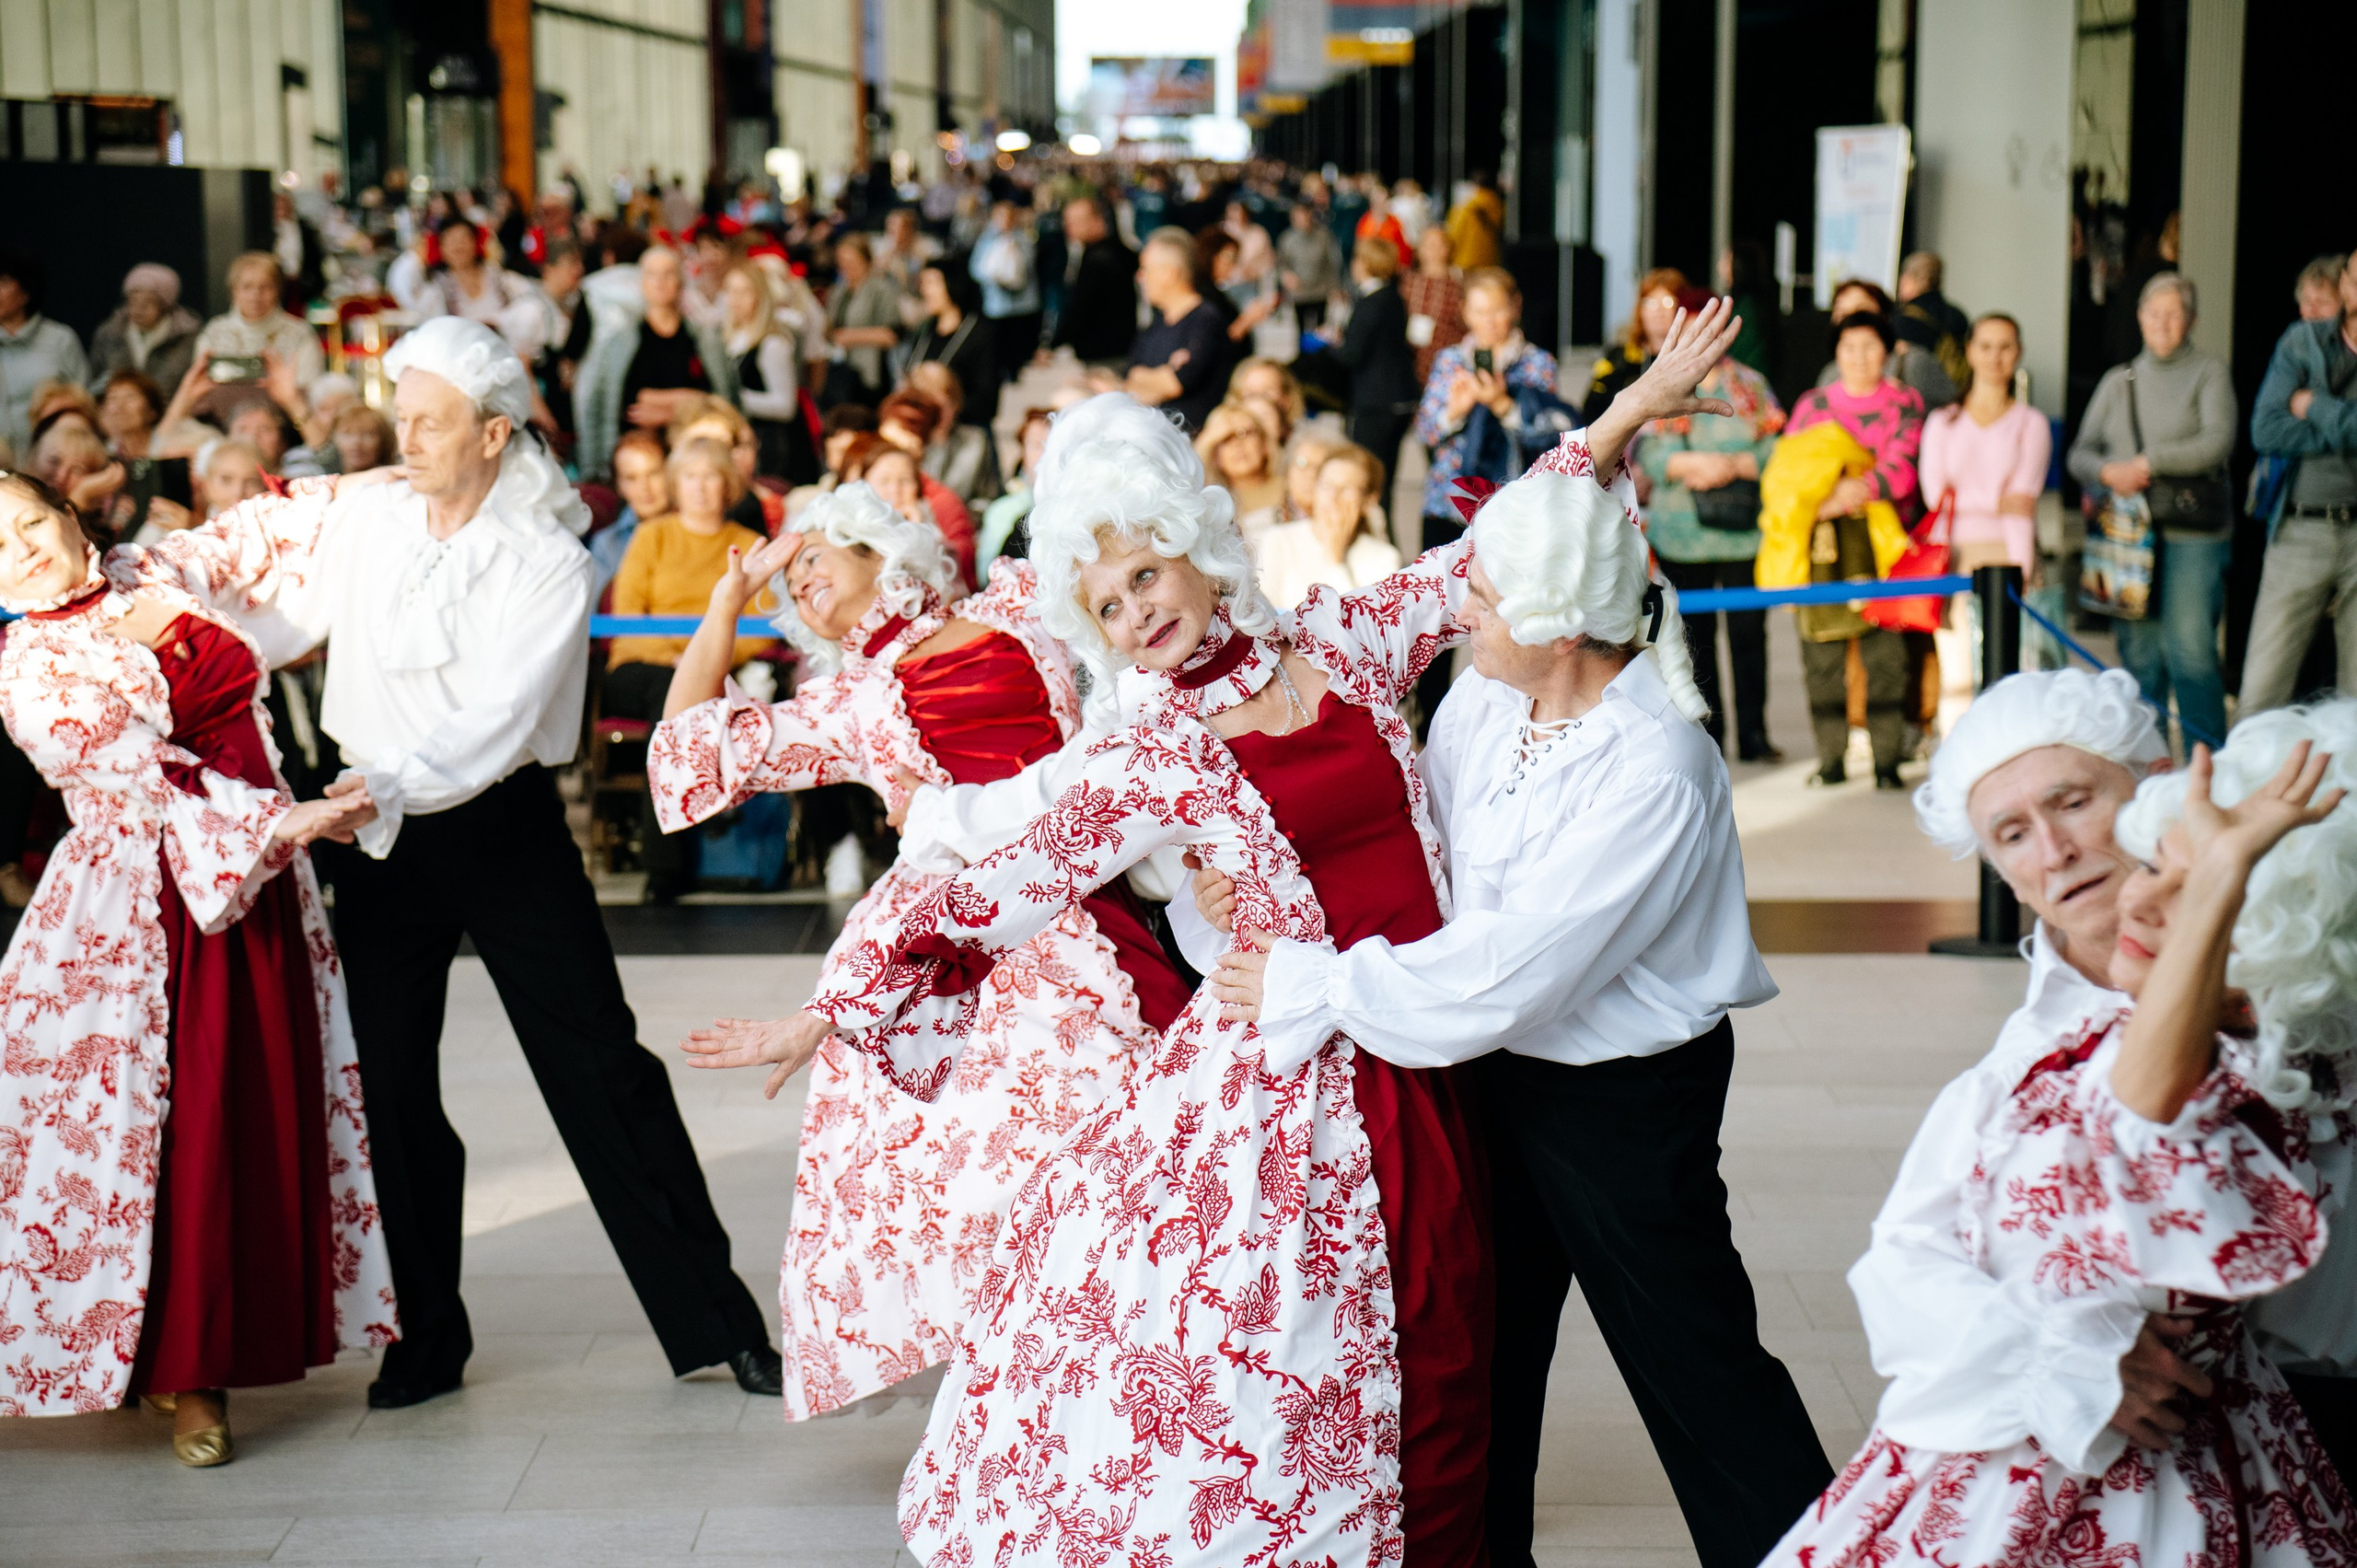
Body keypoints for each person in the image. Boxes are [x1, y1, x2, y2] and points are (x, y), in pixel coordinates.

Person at [680, 337, 1730, 1564]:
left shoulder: (1341, 639)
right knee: (1321, 1373)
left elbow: (1483, 557)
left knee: (1448, 1348)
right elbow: (994, 884)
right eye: (1108, 609)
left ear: (1190, 541)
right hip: (1310, 1078)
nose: (1138, 615)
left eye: (1141, 575)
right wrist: (837, 1002)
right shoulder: (1157, 749)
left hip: (1437, 1044)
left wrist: (1627, 414)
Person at [1196, 435, 1836, 1568]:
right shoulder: (1481, 705)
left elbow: (1514, 964)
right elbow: (1427, 866)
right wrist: (1258, 875)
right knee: (1478, 1360)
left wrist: (1320, 983)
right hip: (1483, 1072)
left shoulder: (1657, 765)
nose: (1462, 612)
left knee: (1694, 1363)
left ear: (1559, 625)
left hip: (1622, 1102)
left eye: (1482, 598)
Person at [170, 316, 784, 1407]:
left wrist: (378, 788)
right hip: (370, 832)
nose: (402, 437)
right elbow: (278, 617)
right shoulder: (367, 519)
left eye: (428, 421)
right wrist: (171, 631)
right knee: (392, 1086)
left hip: (496, 824)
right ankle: (425, 1336)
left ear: (494, 432)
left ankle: (716, 1320)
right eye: (399, 415)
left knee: (601, 1068)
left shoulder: (547, 558)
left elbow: (503, 720)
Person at [1765, 699, 2357, 1566]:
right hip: (2010, 1462)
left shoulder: (2229, 1062)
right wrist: (2053, 1358)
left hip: (2173, 1475)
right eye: (2010, 833)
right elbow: (1907, 1250)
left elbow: (2152, 1126)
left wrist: (2220, 883)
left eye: (2075, 803)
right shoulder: (2052, 1044)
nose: (2057, 853)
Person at [654, 484, 1182, 1418]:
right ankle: (1023, 1390)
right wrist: (727, 602)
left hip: (1087, 882)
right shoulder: (850, 703)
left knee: (1127, 1139)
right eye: (795, 578)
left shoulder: (1017, 600)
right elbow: (690, 751)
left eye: (817, 556)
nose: (804, 580)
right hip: (948, 933)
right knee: (977, 1172)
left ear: (879, 549)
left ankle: (1125, 1363)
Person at [0, 468, 392, 1461]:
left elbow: (262, 534)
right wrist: (287, 820)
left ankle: (214, 1342)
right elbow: (136, 781)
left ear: (66, 507)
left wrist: (387, 478)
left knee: (243, 1120)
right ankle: (181, 1373)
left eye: (26, 520)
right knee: (163, 1133)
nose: (23, 547)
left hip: (253, 888)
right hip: (141, 907)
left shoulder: (155, 566)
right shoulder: (28, 662)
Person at [2067, 273, 2237, 749]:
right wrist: (2108, 472)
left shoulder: (2209, 372)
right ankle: (2151, 772)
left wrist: (2147, 463)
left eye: (2174, 313)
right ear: (2139, 317)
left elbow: (2217, 441)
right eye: (2153, 312)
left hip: (2192, 534)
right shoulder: (2117, 381)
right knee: (2139, 657)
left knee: (2191, 653)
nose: (2162, 323)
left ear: (2192, 320)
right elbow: (2079, 453)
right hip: (2124, 535)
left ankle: (2211, 773)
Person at [604, 437, 772, 902]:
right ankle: (666, 866)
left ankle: (704, 853)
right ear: (676, 484)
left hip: (722, 669)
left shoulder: (745, 543)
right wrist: (681, 661)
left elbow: (765, 626)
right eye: (690, 477)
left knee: (692, 697)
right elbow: (627, 615)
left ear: (729, 485)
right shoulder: (652, 535)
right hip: (642, 666)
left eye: (711, 476)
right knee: (671, 696)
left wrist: (708, 657)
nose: (700, 488)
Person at [1782, 308, 1926, 788]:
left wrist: (1850, 491)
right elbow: (1789, 469)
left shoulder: (1904, 402)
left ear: (1887, 351)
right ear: (1835, 353)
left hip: (1881, 543)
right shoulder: (1812, 405)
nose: (1860, 357)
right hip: (1820, 543)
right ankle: (1830, 759)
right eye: (1849, 347)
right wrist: (1820, 497)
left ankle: (1886, 761)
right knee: (1820, 656)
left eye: (1870, 346)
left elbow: (1904, 465)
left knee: (1886, 656)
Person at [1411, 265, 1561, 728]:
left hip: (1508, 502)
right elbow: (1427, 430)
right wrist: (1456, 411)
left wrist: (1502, 406)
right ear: (1465, 314)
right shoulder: (1449, 361)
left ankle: (1502, 716)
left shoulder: (1536, 363)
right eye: (1479, 311)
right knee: (1440, 610)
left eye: (1497, 310)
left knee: (1503, 609)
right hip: (1447, 499)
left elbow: (1548, 434)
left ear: (1514, 308)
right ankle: (1428, 718)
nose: (1489, 321)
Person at [1634, 339, 1787, 761]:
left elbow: (1777, 443)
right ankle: (1706, 739)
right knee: (1694, 641)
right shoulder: (1663, 382)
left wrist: (1734, 466)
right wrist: (1690, 465)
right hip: (1681, 534)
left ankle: (1754, 734)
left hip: (1744, 532)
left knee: (1748, 636)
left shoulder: (1751, 385)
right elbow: (1645, 448)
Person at [2242, 251, 2357, 714]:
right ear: (2346, 285)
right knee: (2261, 691)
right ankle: (2245, 786)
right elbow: (2265, 430)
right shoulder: (2301, 341)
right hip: (2300, 529)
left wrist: (2313, 406)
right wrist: (2345, 429)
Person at [575, 246, 737, 482]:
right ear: (641, 283)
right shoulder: (619, 342)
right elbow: (603, 403)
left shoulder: (703, 340)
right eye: (651, 274)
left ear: (680, 282)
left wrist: (667, 411)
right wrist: (593, 468)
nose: (660, 282)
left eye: (668, 274)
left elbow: (721, 399)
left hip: (696, 458)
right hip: (634, 461)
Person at [1920, 313, 2050, 576]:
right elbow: (1935, 497)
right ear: (1970, 352)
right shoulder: (1942, 421)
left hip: (2007, 551)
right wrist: (1995, 502)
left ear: (2019, 352)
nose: (1995, 357)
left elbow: (2020, 505)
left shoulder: (2032, 423)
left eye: (2005, 347)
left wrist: (2021, 572)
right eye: (1985, 346)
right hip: (1948, 554)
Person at [1252, 441, 1403, 610]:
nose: (1333, 497)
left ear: (1369, 501)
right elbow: (1263, 613)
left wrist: (1335, 559)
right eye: (1326, 485)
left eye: (1346, 489)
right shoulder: (1279, 539)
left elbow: (1360, 627)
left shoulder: (1384, 558)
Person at [1122, 228, 1235, 434]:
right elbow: (1131, 375)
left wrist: (1151, 381)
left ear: (1170, 273)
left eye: (1145, 269)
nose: (1139, 277)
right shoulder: (1157, 322)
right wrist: (1156, 378)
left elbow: (1176, 383)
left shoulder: (1206, 320)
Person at [719, 261, 818, 486]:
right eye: (731, 291)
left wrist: (733, 398)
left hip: (774, 449)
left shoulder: (773, 343)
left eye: (744, 292)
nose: (736, 299)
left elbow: (785, 406)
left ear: (760, 296)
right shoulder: (730, 338)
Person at [1331, 235, 1422, 473]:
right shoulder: (1394, 298)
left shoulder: (1369, 303)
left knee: (1368, 474)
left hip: (1374, 403)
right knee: (1387, 477)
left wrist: (1329, 346)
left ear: (1365, 263)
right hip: (1400, 397)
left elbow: (1352, 354)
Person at [842, 431, 976, 587]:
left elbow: (953, 581)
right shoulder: (851, 530)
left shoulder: (932, 521)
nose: (895, 490)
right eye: (884, 481)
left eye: (904, 481)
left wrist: (919, 530)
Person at [416, 216, 548, 362]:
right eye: (451, 239)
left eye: (464, 238)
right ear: (441, 248)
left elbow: (532, 298)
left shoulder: (498, 277)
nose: (458, 244)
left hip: (505, 356)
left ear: (475, 243)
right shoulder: (436, 290)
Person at [0, 247, 90, 456]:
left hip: (52, 461)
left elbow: (84, 401)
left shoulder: (60, 339)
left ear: (25, 292)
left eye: (3, 284)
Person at [1816, 278, 1956, 411]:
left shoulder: (1913, 362)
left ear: (1884, 317)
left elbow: (1957, 412)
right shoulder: (1832, 373)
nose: (1852, 320)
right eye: (1842, 313)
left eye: (1861, 310)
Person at [193, 253, 324, 391]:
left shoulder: (300, 333)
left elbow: (311, 387)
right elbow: (199, 386)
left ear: (278, 290)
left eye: (266, 287)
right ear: (233, 291)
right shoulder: (214, 332)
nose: (255, 295)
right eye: (247, 287)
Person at [900, 263, 999, 433]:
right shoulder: (924, 331)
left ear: (952, 284)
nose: (925, 290)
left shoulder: (979, 334)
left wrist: (947, 404)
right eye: (923, 283)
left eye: (932, 283)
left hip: (965, 432)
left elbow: (987, 400)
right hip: (923, 430)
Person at [1586, 268, 1689, 424]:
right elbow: (1591, 409)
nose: (1659, 311)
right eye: (1650, 303)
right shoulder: (1619, 358)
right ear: (1640, 310)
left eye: (1668, 303)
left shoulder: (1688, 359)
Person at [1047, 196, 1138, 370]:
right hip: (1117, 347)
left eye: (1074, 222)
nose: (1068, 229)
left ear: (1096, 221)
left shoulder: (1098, 259)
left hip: (1104, 353)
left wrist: (1055, 343)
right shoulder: (1116, 251)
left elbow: (1082, 307)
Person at [87, 262, 202, 398]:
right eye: (133, 301)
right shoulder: (109, 334)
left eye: (147, 302)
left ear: (165, 305)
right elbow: (94, 381)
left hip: (172, 412)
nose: (138, 310)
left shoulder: (187, 335)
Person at [824, 233, 904, 409]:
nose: (846, 266)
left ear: (865, 259)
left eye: (851, 260)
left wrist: (849, 337)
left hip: (871, 371)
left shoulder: (881, 289)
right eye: (842, 260)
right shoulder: (839, 292)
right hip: (841, 369)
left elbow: (892, 335)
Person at [970, 199, 1042, 391]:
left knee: (1017, 343)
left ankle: (1015, 371)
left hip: (1021, 305)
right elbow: (976, 268)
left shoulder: (1023, 239)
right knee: (997, 345)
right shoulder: (987, 240)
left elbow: (1028, 266)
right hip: (997, 305)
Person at [593, 426, 671, 597]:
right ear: (619, 486)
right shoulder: (607, 544)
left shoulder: (698, 529)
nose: (644, 487)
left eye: (653, 473)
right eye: (631, 478)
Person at [977, 405, 1053, 571]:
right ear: (1023, 452)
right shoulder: (1003, 511)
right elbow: (987, 575)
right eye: (1036, 445)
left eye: (1052, 445)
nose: (1045, 454)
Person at [1194, 397, 1285, 516]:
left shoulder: (1293, 488)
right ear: (1215, 456)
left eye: (1244, 433)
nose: (1237, 444)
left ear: (1264, 444)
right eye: (1226, 438)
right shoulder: (1211, 505)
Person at [1403, 225, 1469, 389]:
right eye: (1428, 245)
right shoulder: (1407, 282)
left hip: (1446, 362)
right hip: (1410, 360)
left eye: (1439, 245)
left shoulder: (1459, 284)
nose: (1433, 250)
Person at [1277, 198, 1344, 337]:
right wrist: (1286, 276)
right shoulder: (1287, 239)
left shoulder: (1323, 237)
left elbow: (1331, 264)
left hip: (1319, 292)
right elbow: (1281, 264)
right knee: (1301, 334)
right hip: (1299, 293)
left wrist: (1335, 288)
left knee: (1320, 333)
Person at [1443, 171, 1504, 272]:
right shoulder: (1500, 207)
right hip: (1491, 263)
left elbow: (1452, 237)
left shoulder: (1464, 209)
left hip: (1466, 263)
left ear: (1474, 186)